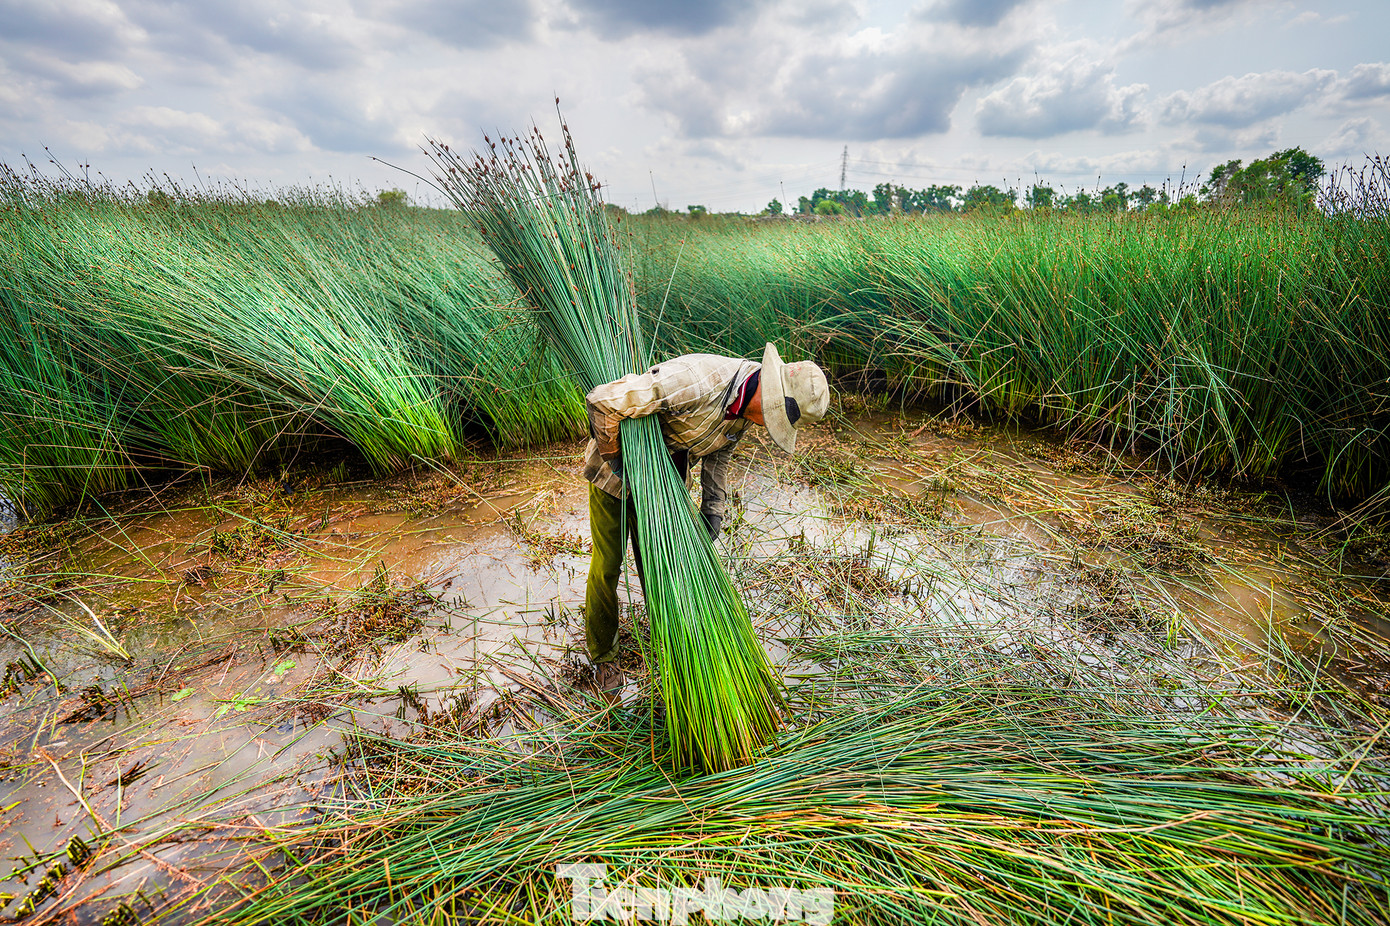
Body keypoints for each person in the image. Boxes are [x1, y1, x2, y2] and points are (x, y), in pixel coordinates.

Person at [581, 343, 830, 691]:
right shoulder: (698, 380)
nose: (770, 426)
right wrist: (618, 460)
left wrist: (713, 510)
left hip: (664, 487)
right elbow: (603, 400)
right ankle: (603, 657)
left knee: (660, 568)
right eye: (778, 418)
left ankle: (670, 644)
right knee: (608, 565)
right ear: (772, 395)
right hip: (614, 476)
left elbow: (720, 456)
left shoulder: (745, 410)